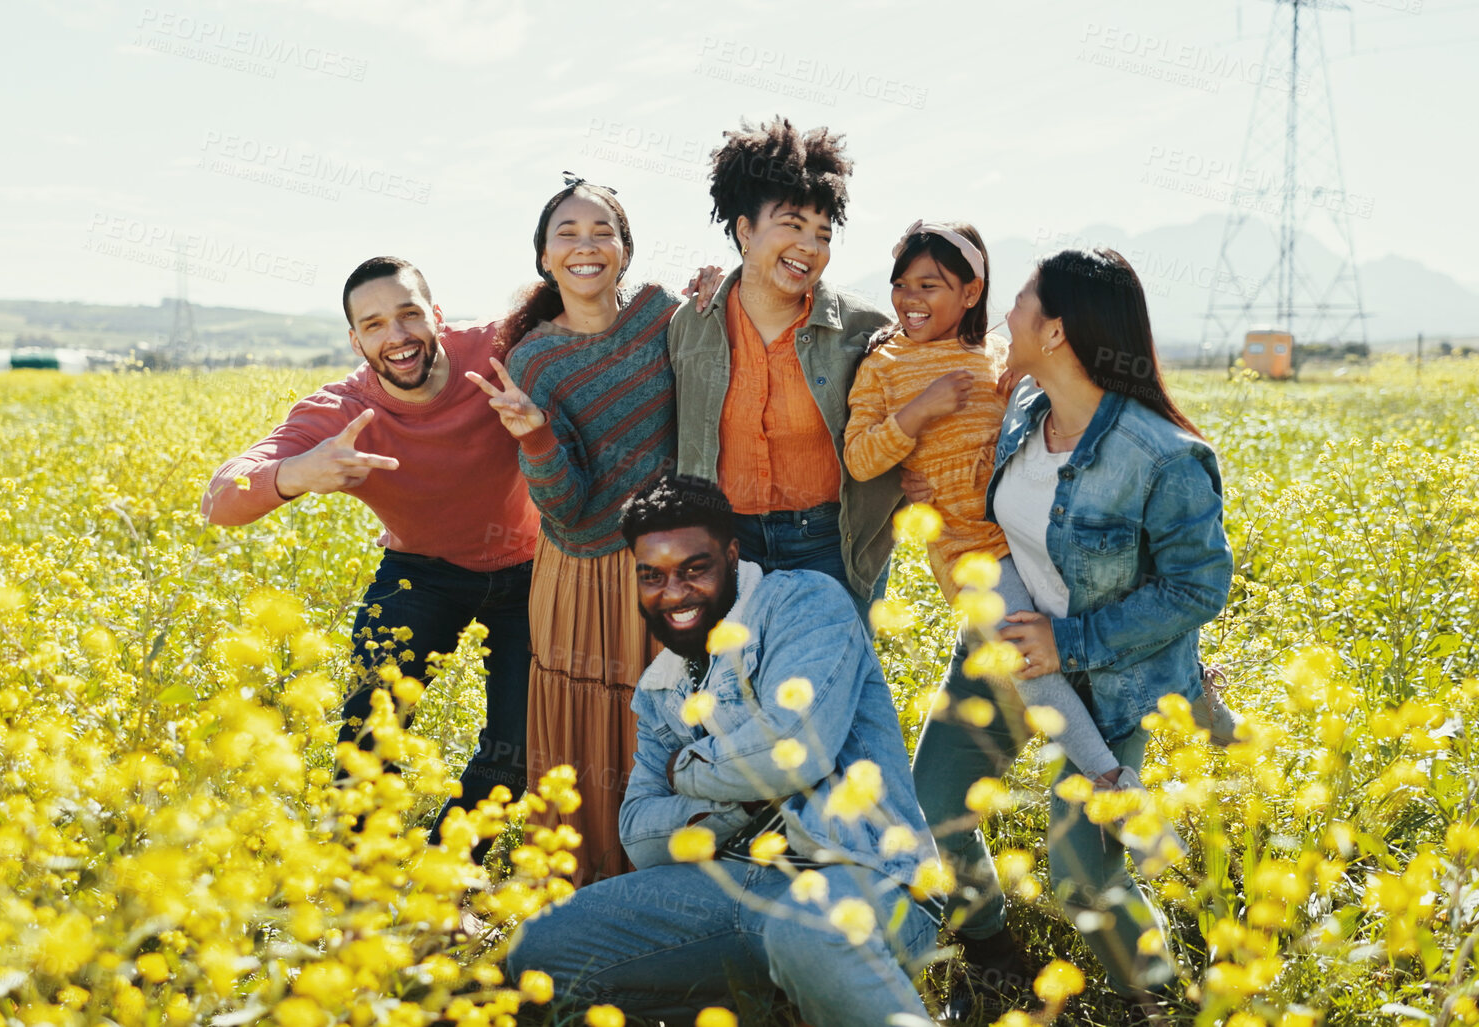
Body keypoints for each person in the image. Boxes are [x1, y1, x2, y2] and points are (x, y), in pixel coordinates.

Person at [908, 248, 1235, 1018]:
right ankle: (988, 952)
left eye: (1019, 297)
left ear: (1054, 329)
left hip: (1110, 674)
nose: (1006, 309)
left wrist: (1073, 642)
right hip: (1004, 647)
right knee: (935, 798)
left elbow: (1199, 584)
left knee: (1080, 868)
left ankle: (1152, 998)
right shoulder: (1025, 408)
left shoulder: (1163, 455)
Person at [506, 475, 942, 1027]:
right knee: (540, 952)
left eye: (695, 569)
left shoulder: (804, 603)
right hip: (733, 886)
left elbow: (791, 753)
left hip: (860, 874)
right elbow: (640, 835)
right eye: (652, 576)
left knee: (801, 931)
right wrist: (738, 804)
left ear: (732, 557)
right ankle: (765, 1007)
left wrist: (683, 771)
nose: (674, 592)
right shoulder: (660, 687)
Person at [202, 256, 535, 849]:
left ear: (436, 316)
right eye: (375, 325)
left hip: (529, 575)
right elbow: (219, 499)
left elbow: (566, 290)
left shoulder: (493, 347)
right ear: (355, 340)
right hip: (419, 573)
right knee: (367, 735)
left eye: (410, 315)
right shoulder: (339, 410)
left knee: (518, 742)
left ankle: (449, 875)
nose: (397, 336)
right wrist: (301, 470)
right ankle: (360, 887)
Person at [467, 176, 697, 883]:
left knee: (668, 733)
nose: (585, 245)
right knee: (587, 745)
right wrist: (536, 437)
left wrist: (718, 291)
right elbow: (563, 506)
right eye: (566, 233)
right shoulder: (534, 360)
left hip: (666, 567)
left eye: (602, 231)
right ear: (543, 257)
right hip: (580, 575)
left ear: (625, 251)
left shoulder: (665, 317)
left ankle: (670, 897)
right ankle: (585, 904)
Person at [667, 116, 903, 624]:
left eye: (822, 233)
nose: (810, 248)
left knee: (826, 694)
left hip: (830, 544)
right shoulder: (691, 324)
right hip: (724, 541)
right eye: (792, 226)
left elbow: (939, 369)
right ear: (745, 230)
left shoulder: (866, 329)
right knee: (734, 693)